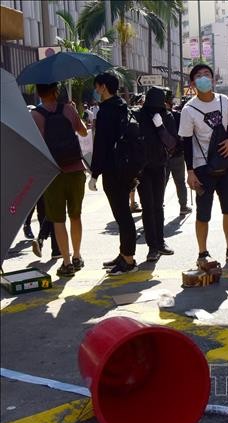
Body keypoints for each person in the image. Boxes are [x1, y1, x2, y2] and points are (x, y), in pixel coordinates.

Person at [178, 63, 228, 267]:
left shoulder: (224, 101)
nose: (204, 78)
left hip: (225, 166)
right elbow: (187, 143)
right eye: (199, 76)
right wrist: (190, 172)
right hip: (202, 168)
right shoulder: (188, 110)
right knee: (203, 213)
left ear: (213, 78)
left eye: (207, 74)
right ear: (192, 83)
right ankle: (202, 252)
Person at [31, 83, 87, 276]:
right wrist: (73, 114)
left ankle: (66, 262)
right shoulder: (69, 109)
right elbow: (83, 132)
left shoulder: (35, 115)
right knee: (75, 215)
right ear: (56, 91)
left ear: (38, 93)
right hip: (76, 170)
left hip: (53, 173)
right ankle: (78, 256)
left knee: (58, 219)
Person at [89, 72, 139, 275]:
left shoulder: (106, 111)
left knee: (122, 215)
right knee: (123, 214)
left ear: (102, 87)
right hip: (126, 167)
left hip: (113, 169)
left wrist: (94, 174)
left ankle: (128, 260)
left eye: (97, 87)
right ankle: (124, 254)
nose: (96, 90)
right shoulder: (123, 106)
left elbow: (101, 145)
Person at [137, 87, 177, 262]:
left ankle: (160, 242)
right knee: (148, 206)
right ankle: (152, 246)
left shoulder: (166, 116)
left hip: (160, 165)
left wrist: (160, 127)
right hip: (142, 167)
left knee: (158, 205)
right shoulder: (138, 115)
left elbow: (171, 143)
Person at [164, 89, 192, 216]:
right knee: (180, 182)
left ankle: (157, 205)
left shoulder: (153, 116)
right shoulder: (178, 115)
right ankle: (183, 206)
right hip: (177, 154)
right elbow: (185, 135)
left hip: (161, 156)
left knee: (161, 182)